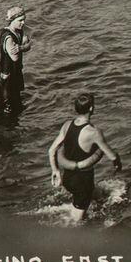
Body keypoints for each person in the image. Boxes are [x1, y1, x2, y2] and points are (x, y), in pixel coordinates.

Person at [47, 93, 122, 223]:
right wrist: (118, 163)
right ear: (92, 109)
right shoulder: (94, 132)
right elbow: (111, 155)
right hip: (82, 182)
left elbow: (51, 150)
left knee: (96, 196)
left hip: (67, 178)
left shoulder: (67, 125)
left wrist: (55, 171)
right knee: (75, 222)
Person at [0, 6, 32, 112]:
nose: (23, 23)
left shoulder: (19, 31)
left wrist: (21, 47)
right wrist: (23, 45)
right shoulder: (8, 37)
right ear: (12, 20)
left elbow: (28, 45)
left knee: (16, 99)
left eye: (24, 19)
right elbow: (15, 57)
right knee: (8, 104)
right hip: (6, 75)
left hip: (15, 71)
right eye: (20, 20)